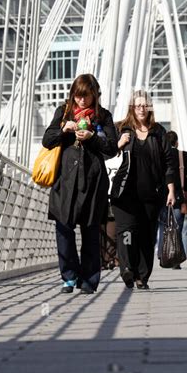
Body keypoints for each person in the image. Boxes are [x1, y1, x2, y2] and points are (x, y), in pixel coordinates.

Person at [42, 74, 118, 294]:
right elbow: (47, 140)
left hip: (93, 182)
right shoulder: (64, 112)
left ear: (95, 95)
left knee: (91, 231)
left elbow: (112, 148)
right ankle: (68, 276)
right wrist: (64, 129)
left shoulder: (103, 117)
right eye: (78, 96)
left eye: (86, 96)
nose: (82, 101)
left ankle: (88, 280)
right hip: (65, 181)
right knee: (63, 228)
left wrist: (92, 137)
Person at [111, 90, 176, 290]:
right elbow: (106, 152)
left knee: (147, 236)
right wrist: (118, 144)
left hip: (151, 194)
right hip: (125, 192)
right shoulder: (121, 128)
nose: (141, 109)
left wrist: (171, 190)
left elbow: (168, 163)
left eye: (144, 106)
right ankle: (127, 268)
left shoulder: (159, 133)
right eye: (137, 105)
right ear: (132, 107)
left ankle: (142, 276)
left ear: (149, 108)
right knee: (126, 232)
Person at [158, 130, 187, 266]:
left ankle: (162, 254)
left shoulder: (160, 154)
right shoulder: (183, 155)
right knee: (177, 226)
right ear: (177, 142)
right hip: (178, 195)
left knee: (163, 225)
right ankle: (175, 257)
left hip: (160, 194)